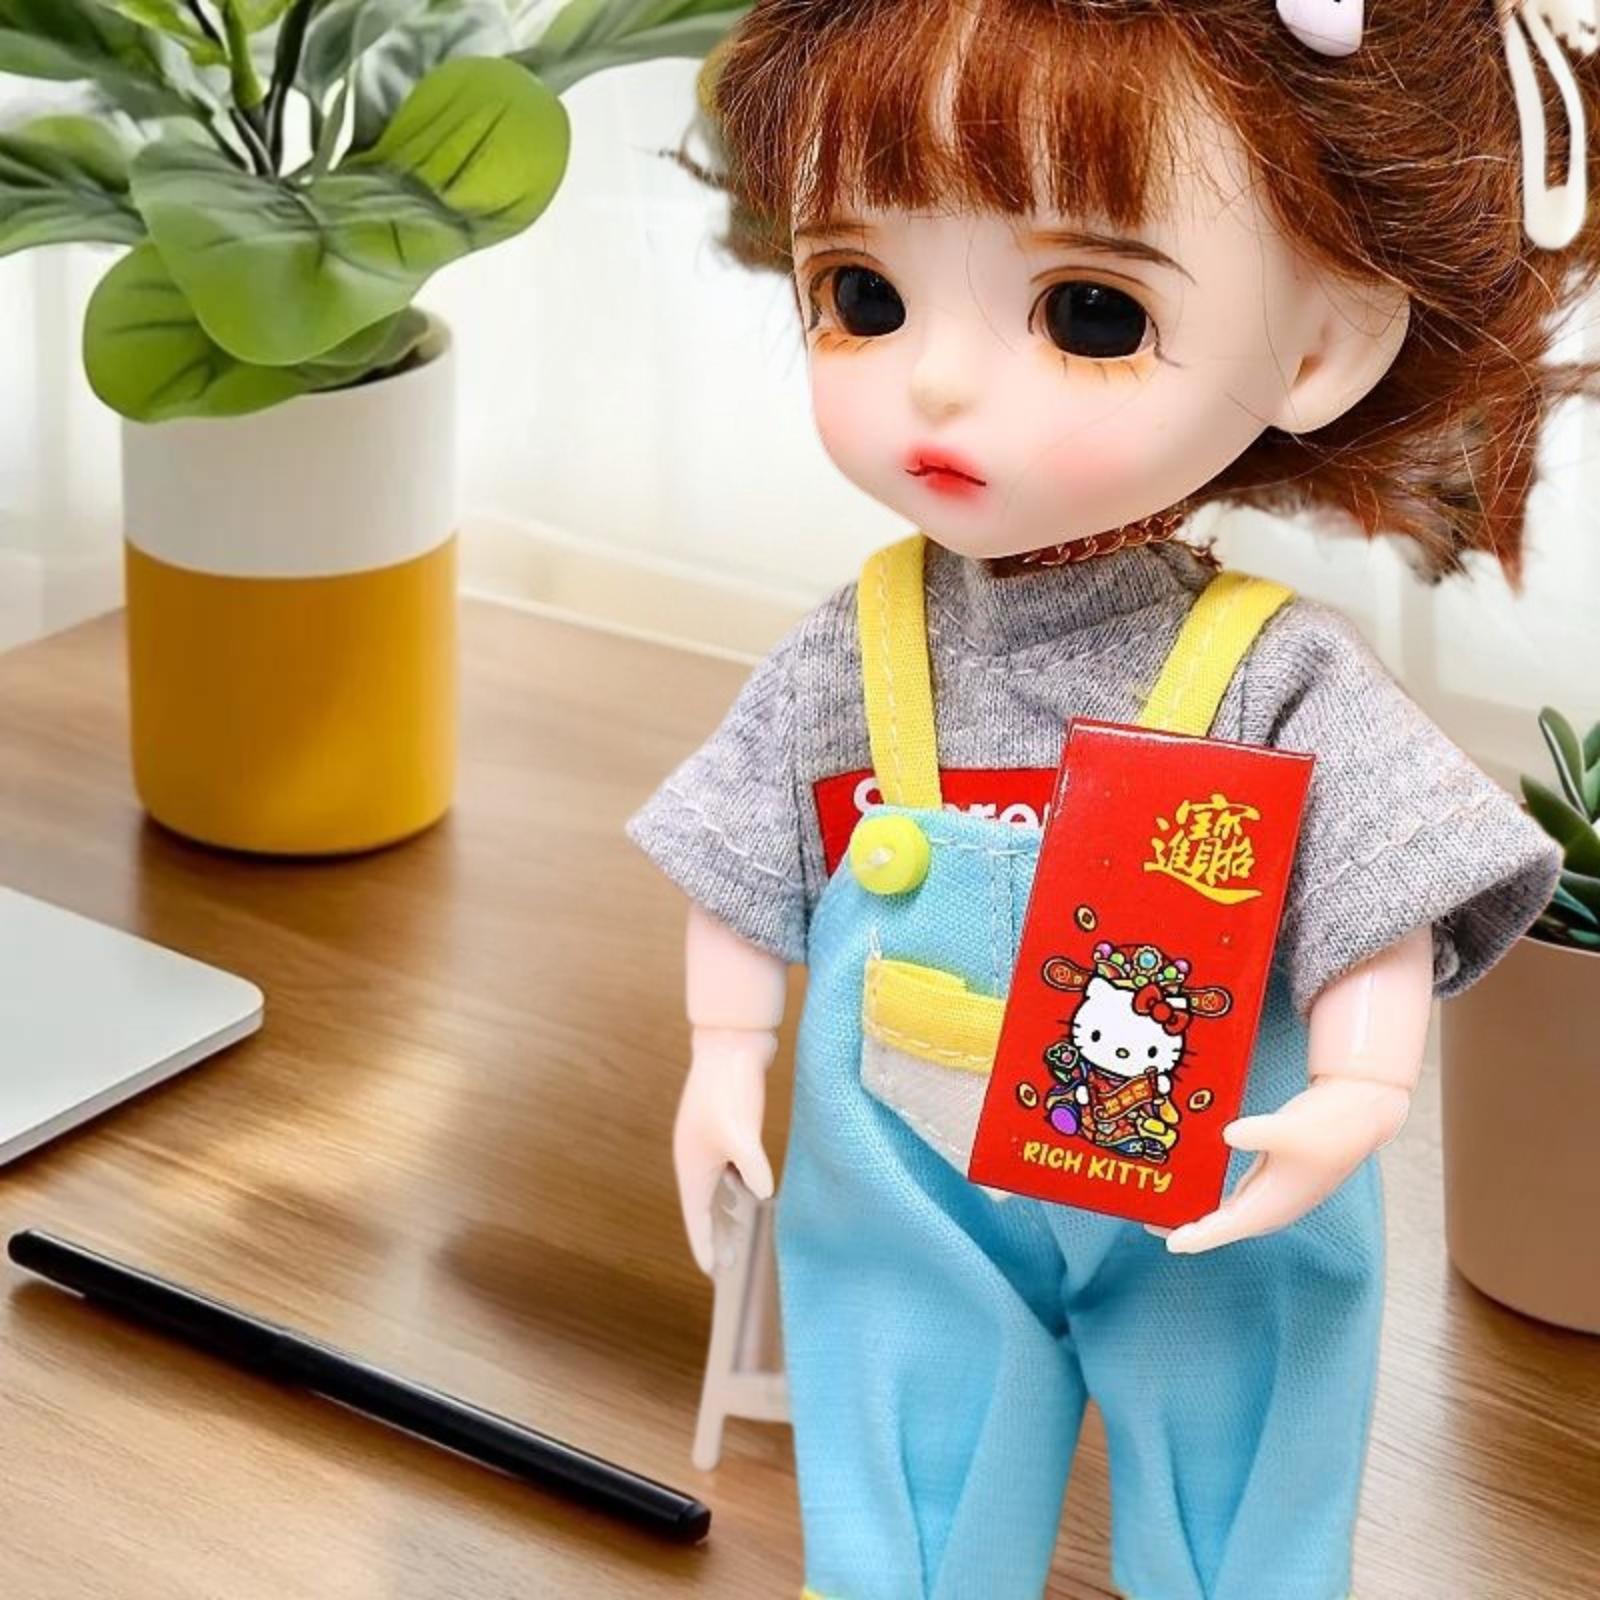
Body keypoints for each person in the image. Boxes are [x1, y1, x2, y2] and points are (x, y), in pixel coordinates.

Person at [624, 4, 1586, 1596]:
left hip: (1204, 1166)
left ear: (1320, 345)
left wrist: (1360, 1088)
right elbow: (742, 864)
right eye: (863, 295)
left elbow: (1382, 897)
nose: (939, 382)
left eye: (1089, 313)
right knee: (908, 1461)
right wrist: (726, 1053)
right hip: (911, 1168)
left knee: (1237, 1448)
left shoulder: (1274, 675)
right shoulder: (856, 648)